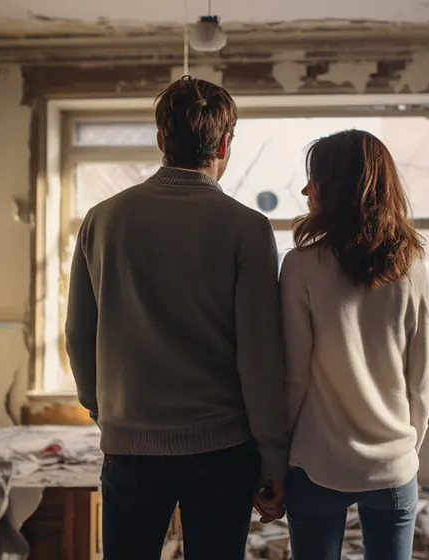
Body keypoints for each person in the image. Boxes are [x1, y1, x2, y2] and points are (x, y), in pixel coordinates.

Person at [65, 76, 288, 559]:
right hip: (223, 448)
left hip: (130, 444)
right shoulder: (248, 228)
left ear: (161, 139)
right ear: (226, 143)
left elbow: (79, 336)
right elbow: (260, 355)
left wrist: (107, 412)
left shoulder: (103, 219)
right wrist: (273, 454)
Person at [280, 129, 429, 560]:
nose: (305, 189)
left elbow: (292, 376)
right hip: (393, 463)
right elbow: (421, 377)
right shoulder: (411, 264)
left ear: (337, 187)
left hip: (316, 463)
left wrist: (277, 455)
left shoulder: (299, 266)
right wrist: (408, 449)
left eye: (315, 179)